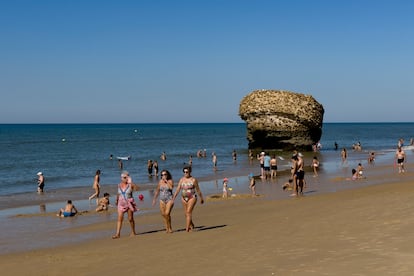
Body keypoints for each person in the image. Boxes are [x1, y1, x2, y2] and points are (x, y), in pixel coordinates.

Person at [173, 165, 204, 232]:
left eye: (187, 172)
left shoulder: (193, 180)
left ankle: (187, 229)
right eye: (184, 172)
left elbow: (198, 190)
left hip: (192, 197)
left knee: (188, 212)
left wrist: (201, 198)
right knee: (186, 214)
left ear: (190, 172)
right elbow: (178, 189)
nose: (185, 173)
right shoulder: (181, 180)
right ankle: (191, 224)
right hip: (183, 198)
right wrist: (173, 198)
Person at [112, 171, 139, 239]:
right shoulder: (119, 185)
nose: (126, 179)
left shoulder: (130, 185)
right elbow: (118, 193)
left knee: (130, 218)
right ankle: (117, 234)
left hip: (129, 203)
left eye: (127, 177)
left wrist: (131, 182)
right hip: (121, 203)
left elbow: (137, 188)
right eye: (124, 177)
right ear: (121, 178)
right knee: (119, 218)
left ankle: (133, 232)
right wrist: (116, 200)